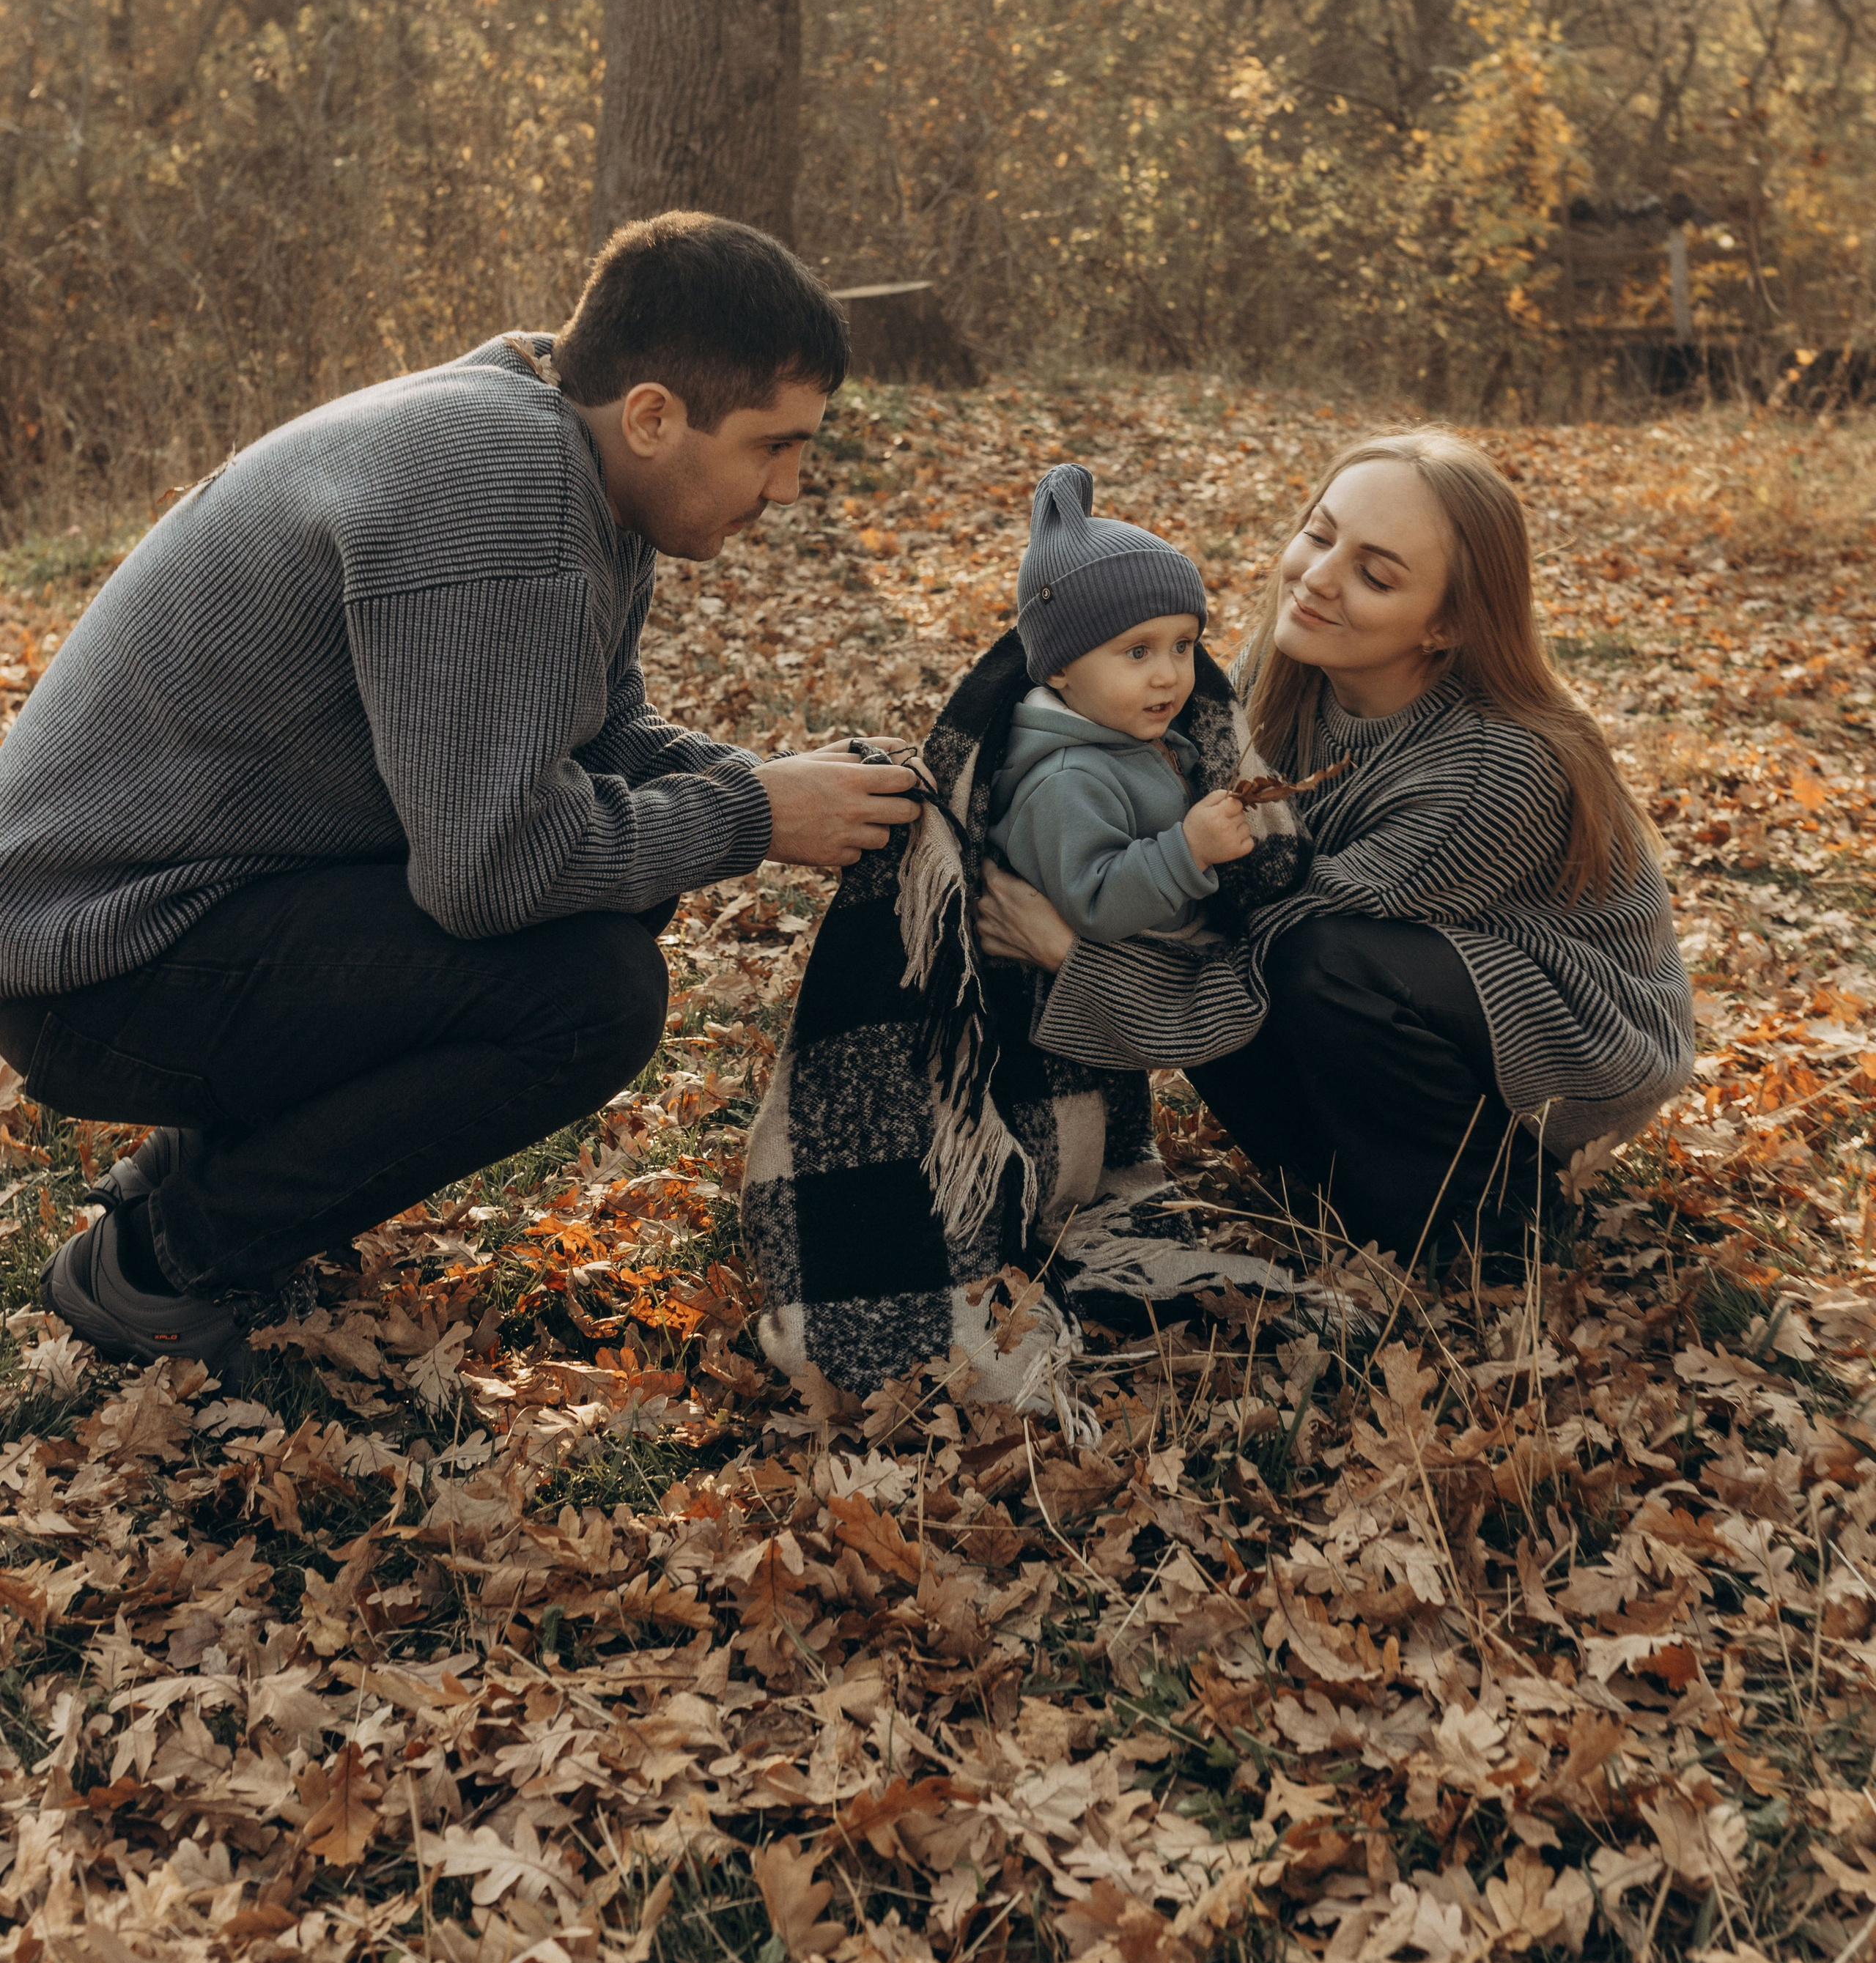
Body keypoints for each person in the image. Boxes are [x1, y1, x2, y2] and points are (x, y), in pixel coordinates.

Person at [0, 211, 918, 1369]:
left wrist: (777, 782)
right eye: (772, 447)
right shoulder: (505, 491)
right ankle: (162, 1258)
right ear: (652, 415)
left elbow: (596, 739)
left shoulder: (569, 453)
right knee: (594, 994)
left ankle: (193, 1175)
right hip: (92, 959)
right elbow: (494, 871)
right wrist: (757, 815)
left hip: (173, 908)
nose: (787, 489)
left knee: (614, 899)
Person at [978, 429, 1694, 1266]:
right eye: (1319, 535)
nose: (1316, 579)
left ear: (1447, 624)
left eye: (1374, 574)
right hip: (1384, 986)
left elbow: (1267, 945)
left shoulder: (1492, 768)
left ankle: (1490, 1227)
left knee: (1309, 960)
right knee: (1217, 915)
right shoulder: (1274, 683)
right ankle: (1339, 1187)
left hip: (1564, 1047)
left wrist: (1071, 952)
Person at [987, 466, 1268, 942]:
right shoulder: (1065, 782)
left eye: (1183, 646)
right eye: (1138, 652)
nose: (1169, 674)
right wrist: (1190, 849)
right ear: (1060, 667)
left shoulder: (1132, 728)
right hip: (1097, 992)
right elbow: (1093, 907)